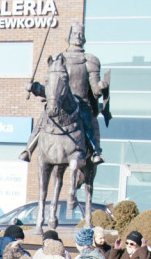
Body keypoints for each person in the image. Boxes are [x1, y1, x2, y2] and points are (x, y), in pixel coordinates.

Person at [21, 22, 108, 165]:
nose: (78, 37)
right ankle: (28, 149)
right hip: (60, 104)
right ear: (69, 37)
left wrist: (100, 87)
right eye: (75, 34)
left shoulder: (90, 60)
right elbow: (52, 88)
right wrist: (35, 88)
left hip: (81, 103)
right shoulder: (58, 59)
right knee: (42, 120)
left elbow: (95, 90)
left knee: (88, 121)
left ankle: (95, 151)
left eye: (81, 34)